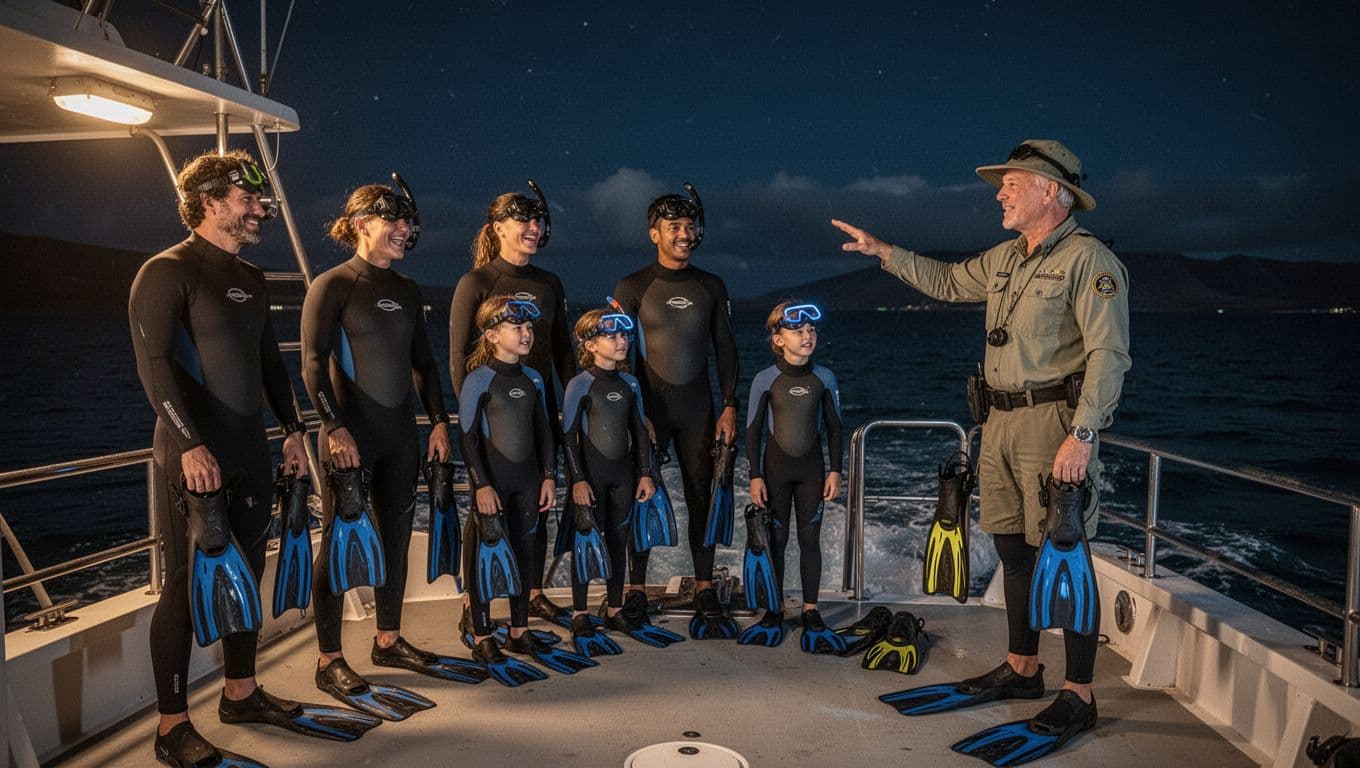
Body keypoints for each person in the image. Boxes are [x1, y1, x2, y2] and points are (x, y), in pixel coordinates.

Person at [833, 139, 1130, 753]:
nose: (999, 193)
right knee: (1014, 553)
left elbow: (1109, 355)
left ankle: (1079, 695)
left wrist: (1083, 433)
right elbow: (943, 281)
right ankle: (1024, 669)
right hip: (996, 426)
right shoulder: (1005, 258)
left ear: (1051, 191)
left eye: (1011, 183)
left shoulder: (1089, 261)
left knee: (1065, 557)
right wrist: (883, 252)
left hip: (1053, 426)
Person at [130, 149, 341, 766]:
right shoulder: (166, 271)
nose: (260, 211)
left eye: (260, 201)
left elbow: (269, 363)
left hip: (250, 451)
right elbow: (155, 366)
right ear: (209, 202)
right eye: (247, 201)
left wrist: (294, 430)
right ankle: (171, 728)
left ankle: (240, 694)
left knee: (247, 576)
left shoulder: (249, 278)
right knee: (179, 591)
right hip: (193, 456)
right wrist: (190, 443)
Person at [301, 179, 486, 708]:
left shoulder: (406, 291)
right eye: (394, 221)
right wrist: (334, 428)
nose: (405, 231)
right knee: (338, 545)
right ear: (362, 224)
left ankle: (387, 639)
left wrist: (438, 424)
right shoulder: (332, 285)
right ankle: (329, 660)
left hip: (402, 438)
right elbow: (313, 366)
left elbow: (425, 365)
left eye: (409, 224)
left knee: (398, 539)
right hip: (348, 439)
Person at [612, 182, 741, 639]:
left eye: (689, 226)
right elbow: (619, 358)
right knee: (640, 498)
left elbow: (725, 348)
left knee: (701, 496)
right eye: (673, 227)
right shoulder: (633, 286)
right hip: (648, 411)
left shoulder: (711, 286)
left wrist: (729, 406)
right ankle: (634, 590)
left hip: (699, 409)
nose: (684, 234)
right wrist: (635, 413)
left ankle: (704, 586)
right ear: (654, 234)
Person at [448, 181, 574, 623]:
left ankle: (532, 592)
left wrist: (573, 410)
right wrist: (474, 416)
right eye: (524, 221)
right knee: (485, 510)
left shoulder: (549, 283)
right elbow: (459, 359)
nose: (534, 228)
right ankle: (472, 604)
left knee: (535, 506)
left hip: (538, 409)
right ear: (498, 227)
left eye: (539, 221)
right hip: (491, 415)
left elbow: (563, 355)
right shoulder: (477, 282)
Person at [458, 296, 596, 684]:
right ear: (492, 334)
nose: (527, 334)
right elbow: (467, 439)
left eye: (529, 328)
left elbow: (545, 434)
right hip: (493, 487)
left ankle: (519, 631)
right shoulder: (478, 380)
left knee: (523, 556)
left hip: (529, 483)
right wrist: (481, 485)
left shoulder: (534, 378)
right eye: (517, 328)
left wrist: (549, 476)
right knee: (484, 564)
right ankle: (483, 636)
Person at [738, 301, 844, 652]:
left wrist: (835, 471)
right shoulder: (765, 380)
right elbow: (752, 432)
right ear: (778, 340)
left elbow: (834, 430)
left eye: (811, 330)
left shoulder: (824, 378)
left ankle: (811, 610)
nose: (807, 336)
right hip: (776, 473)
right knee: (777, 542)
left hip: (813, 471)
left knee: (810, 541)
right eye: (798, 332)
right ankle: (775, 608)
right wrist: (755, 475)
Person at [561, 308, 657, 653]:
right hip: (590, 479)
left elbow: (640, 433)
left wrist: (645, 473)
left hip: (623, 477)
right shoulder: (580, 384)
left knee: (619, 541)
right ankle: (580, 613)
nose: (622, 342)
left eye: (624, 336)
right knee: (586, 546)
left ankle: (615, 608)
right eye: (612, 336)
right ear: (589, 344)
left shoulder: (630, 383)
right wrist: (577, 480)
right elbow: (568, 435)